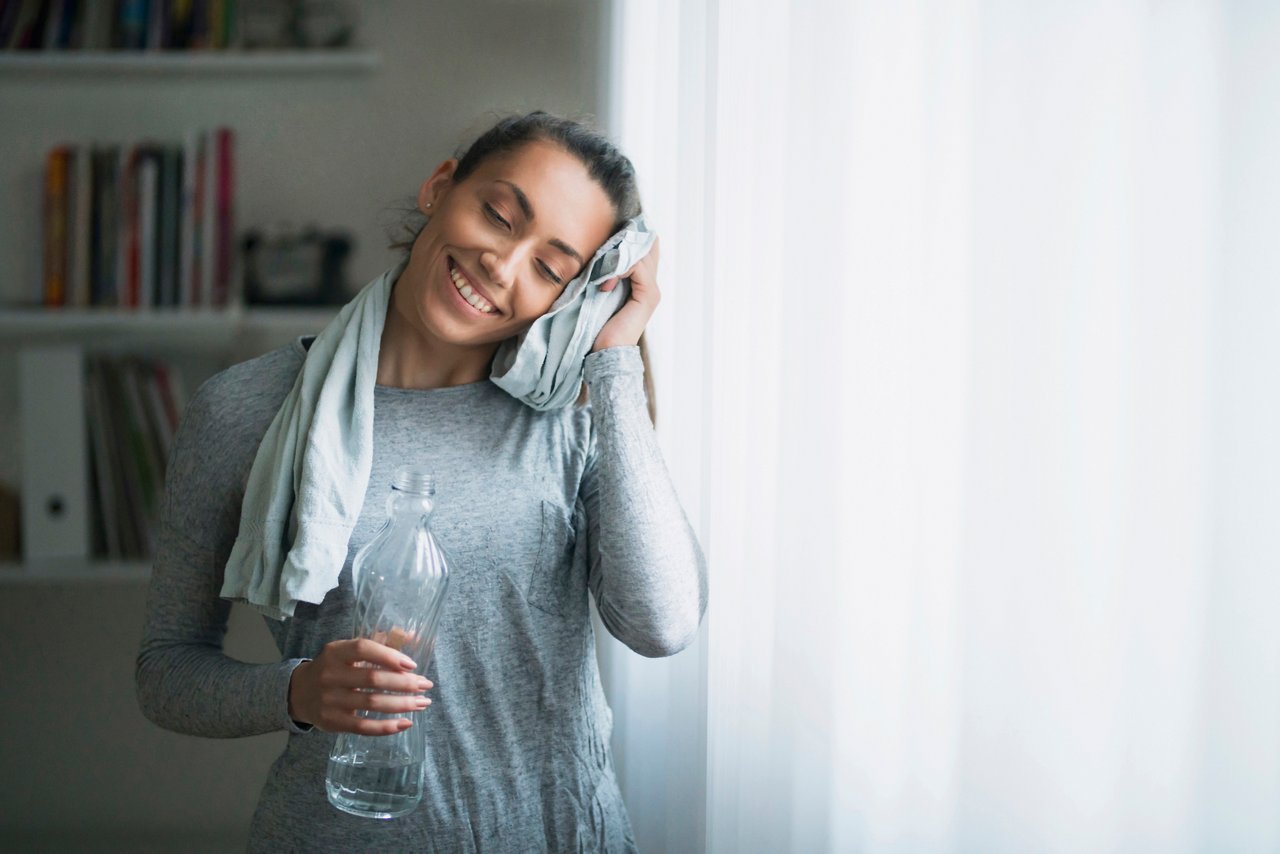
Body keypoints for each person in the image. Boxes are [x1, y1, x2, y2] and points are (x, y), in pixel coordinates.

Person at [135, 110, 708, 852]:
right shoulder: (246, 410)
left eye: (550, 267)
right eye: (499, 216)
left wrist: (615, 358)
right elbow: (166, 672)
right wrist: (298, 691)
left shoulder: (574, 420)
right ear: (440, 187)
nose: (503, 265)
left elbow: (662, 623)